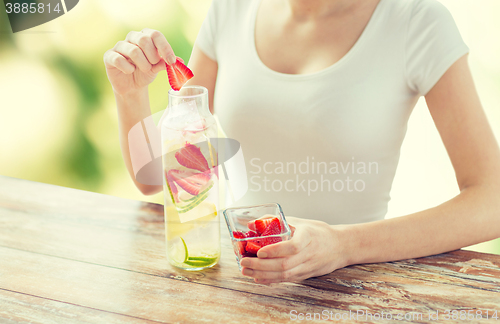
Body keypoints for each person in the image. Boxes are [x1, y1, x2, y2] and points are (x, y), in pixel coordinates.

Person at [104, 0, 500, 284]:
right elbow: (160, 175)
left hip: (355, 289)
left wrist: (343, 245)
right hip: (240, 282)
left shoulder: (416, 20)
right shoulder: (230, 10)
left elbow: (492, 200)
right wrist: (131, 93)